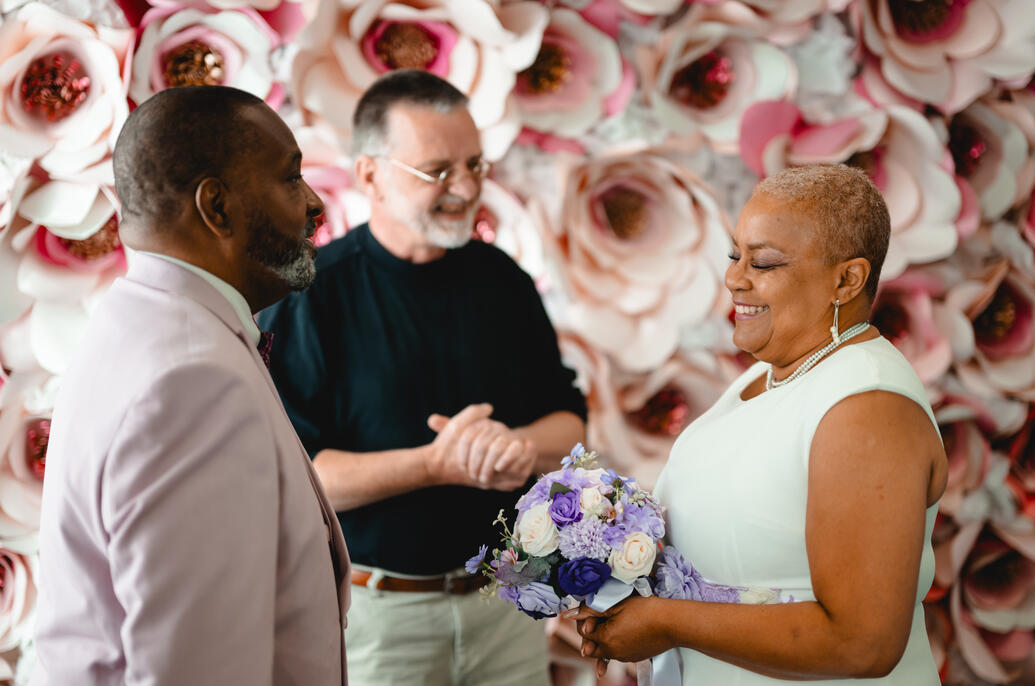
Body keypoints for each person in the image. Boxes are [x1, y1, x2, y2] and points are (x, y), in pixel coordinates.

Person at [258, 69, 586, 686]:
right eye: (438, 171)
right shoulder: (309, 297)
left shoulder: (504, 281)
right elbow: (296, 478)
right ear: (370, 175)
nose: (466, 187)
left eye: (475, 165)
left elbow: (570, 423)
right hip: (379, 620)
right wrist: (438, 464)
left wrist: (516, 447)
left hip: (507, 602)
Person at [570, 164, 948, 685]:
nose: (734, 279)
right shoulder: (771, 373)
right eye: (735, 256)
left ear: (846, 280)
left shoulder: (867, 407)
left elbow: (863, 642)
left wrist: (666, 622)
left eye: (764, 262)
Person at [32, 86, 351, 686]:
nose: (313, 203)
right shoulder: (193, 384)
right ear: (217, 207)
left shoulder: (133, 322)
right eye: (291, 177)